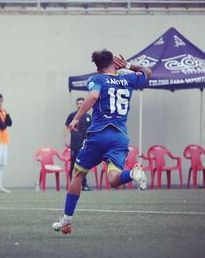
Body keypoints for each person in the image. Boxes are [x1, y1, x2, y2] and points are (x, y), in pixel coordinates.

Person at [52, 50, 151, 235]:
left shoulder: (97, 79)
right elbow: (147, 73)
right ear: (114, 63)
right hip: (120, 137)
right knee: (114, 179)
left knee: (77, 174)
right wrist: (129, 66)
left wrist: (76, 118)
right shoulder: (127, 79)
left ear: (97, 67)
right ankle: (133, 173)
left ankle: (66, 221)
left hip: (98, 135)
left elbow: (93, 96)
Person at [65, 97, 92, 191]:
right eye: (78, 103)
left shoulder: (88, 117)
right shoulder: (72, 116)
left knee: (83, 165)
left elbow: (91, 130)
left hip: (85, 145)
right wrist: (67, 139)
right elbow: (66, 127)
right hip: (74, 145)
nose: (80, 105)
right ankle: (72, 185)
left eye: (81, 103)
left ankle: (84, 185)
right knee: (73, 165)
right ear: (76, 104)